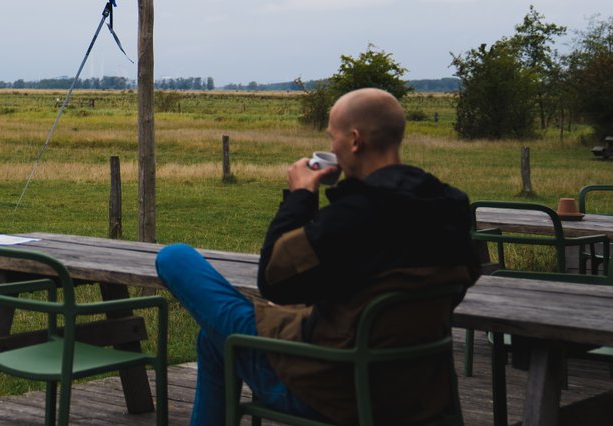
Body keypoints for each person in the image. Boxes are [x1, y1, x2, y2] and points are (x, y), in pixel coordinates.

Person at [156, 87, 480, 425]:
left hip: (334, 390)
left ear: (354, 141)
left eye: (332, 137)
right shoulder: (450, 205)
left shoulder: (353, 217)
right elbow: (461, 274)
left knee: (175, 258)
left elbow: (274, 281)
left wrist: (301, 195)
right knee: (214, 341)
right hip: (417, 392)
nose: (332, 148)